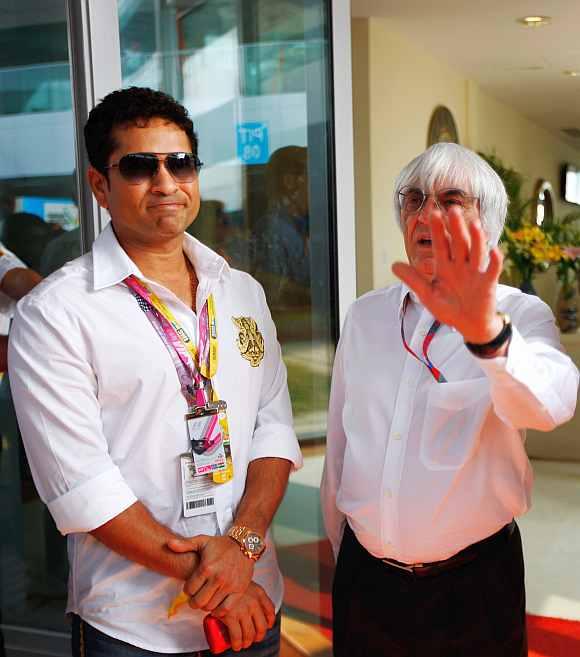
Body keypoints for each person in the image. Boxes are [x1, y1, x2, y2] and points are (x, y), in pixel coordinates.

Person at [8, 86, 302, 656]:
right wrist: (222, 582)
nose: (166, 182)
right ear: (101, 184)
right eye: (141, 166)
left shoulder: (240, 292)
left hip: (255, 604)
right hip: (136, 627)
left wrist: (240, 551)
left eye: (180, 162)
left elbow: (273, 429)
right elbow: (82, 486)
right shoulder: (56, 313)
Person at [321, 142, 579, 657]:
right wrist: (341, 549)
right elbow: (341, 446)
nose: (426, 213)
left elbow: (551, 404)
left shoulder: (520, 315)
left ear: (486, 221)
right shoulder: (366, 316)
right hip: (365, 582)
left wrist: (485, 332)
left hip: (473, 589)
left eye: (450, 199)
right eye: (414, 199)